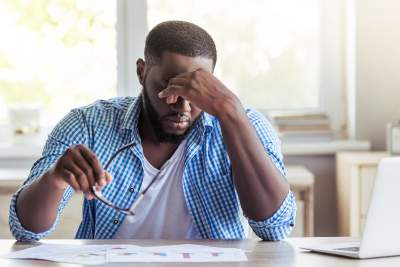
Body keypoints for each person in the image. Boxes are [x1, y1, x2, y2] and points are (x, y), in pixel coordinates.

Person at [9, 20, 296, 241]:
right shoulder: (89, 124)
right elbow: (27, 232)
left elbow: (275, 227)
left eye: (194, 89)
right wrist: (54, 180)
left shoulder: (244, 124)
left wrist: (230, 111)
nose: (181, 105)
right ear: (141, 72)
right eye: (167, 87)